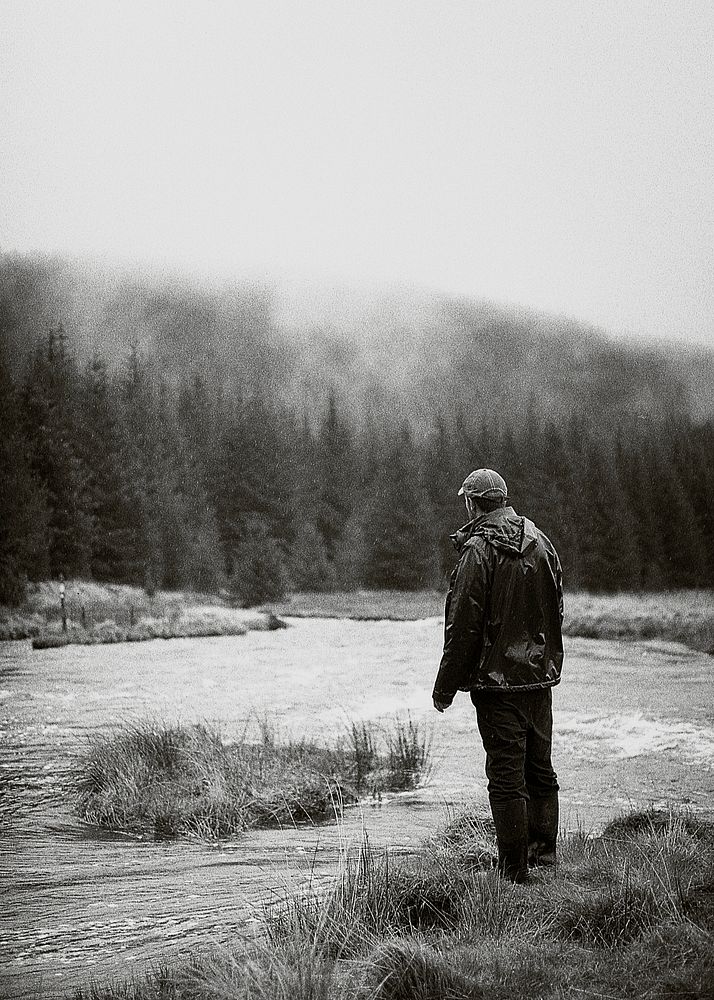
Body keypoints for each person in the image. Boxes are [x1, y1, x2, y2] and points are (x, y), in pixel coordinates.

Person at [432, 468, 563, 884]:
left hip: (496, 683)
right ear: (503, 500)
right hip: (538, 680)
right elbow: (556, 607)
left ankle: (513, 873)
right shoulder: (542, 543)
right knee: (539, 769)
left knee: (506, 778)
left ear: (472, 504)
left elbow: (463, 627)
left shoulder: (477, 552)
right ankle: (543, 854)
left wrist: (444, 688)